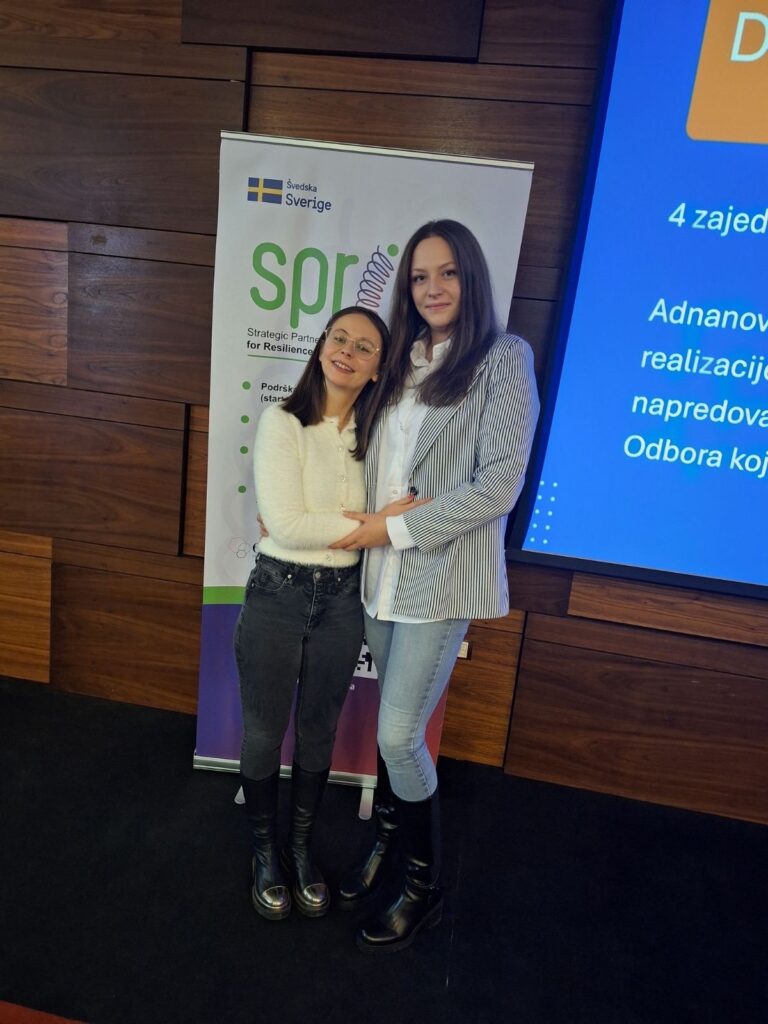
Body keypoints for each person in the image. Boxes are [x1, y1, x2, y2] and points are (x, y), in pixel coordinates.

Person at [329, 219, 540, 953]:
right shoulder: (402, 357)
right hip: (381, 581)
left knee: (397, 734)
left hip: (439, 578)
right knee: (394, 733)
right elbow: (374, 461)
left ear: (470, 276)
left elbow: (499, 487)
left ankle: (424, 886)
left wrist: (393, 529)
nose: (433, 288)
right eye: (419, 277)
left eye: (447, 272)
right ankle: (388, 846)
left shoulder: (503, 358)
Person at [234, 305, 411, 922]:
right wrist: (373, 527)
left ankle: (300, 850)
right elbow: (285, 525)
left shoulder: (378, 439)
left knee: (318, 730)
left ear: (377, 369)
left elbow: (398, 512)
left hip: (342, 601)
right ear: (320, 347)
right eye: (339, 339)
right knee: (264, 730)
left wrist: (370, 525)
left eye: (364, 347)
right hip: (277, 593)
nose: (347, 352)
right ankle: (265, 854)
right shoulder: (282, 422)